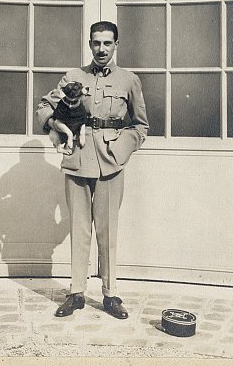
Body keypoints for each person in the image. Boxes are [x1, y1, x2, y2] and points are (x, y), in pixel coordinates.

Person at [36, 21, 149, 319]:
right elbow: (44, 107)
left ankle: (110, 295)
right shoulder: (74, 77)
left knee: (107, 229)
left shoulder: (129, 80)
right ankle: (76, 293)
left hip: (112, 162)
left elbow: (141, 125)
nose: (102, 49)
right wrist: (58, 127)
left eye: (107, 43)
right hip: (77, 159)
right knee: (80, 228)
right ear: (89, 44)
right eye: (96, 43)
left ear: (116, 45)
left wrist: (122, 148)